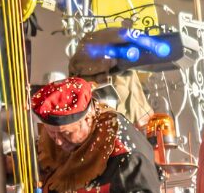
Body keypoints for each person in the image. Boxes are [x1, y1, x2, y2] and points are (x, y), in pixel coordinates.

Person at [29, 77, 160, 193]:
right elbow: (41, 160)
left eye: (66, 133)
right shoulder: (61, 138)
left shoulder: (127, 159)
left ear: (88, 118)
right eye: (52, 133)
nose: (58, 141)